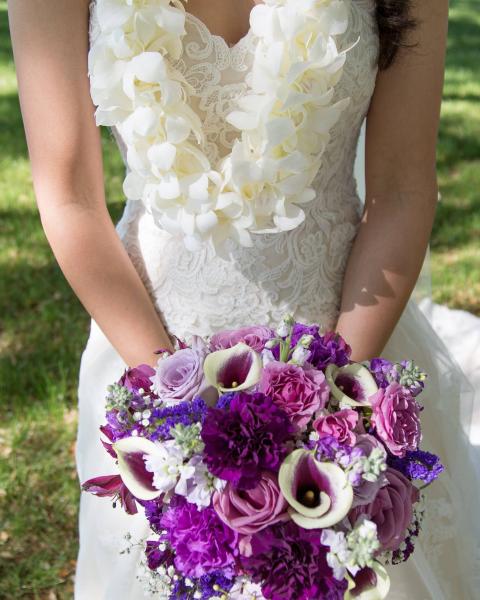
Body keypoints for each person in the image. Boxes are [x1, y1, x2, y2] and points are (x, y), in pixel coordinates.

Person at [8, 0, 479, 598]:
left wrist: (335, 410)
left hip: (355, 346)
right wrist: (171, 410)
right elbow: (68, 195)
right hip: (143, 360)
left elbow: (404, 188)